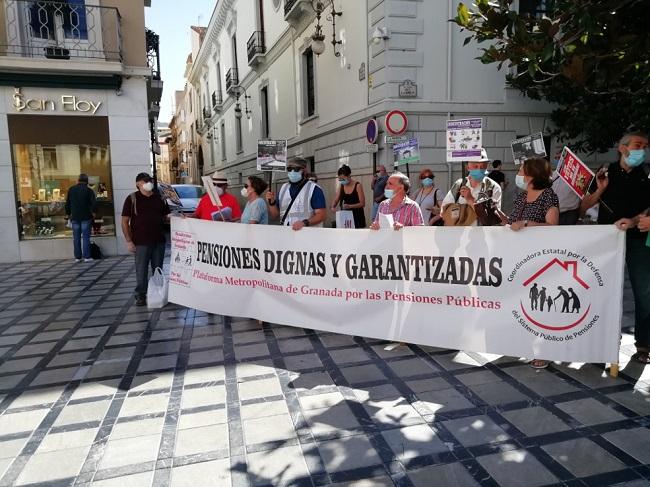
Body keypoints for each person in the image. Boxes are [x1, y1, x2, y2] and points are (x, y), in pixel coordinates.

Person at [580, 131, 650, 364]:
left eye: (645, 146)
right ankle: (607, 342)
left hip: (639, 241)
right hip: (607, 243)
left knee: (644, 293)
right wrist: (600, 189)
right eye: (638, 145)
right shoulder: (604, 172)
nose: (642, 150)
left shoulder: (647, 174)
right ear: (622, 148)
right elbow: (583, 206)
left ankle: (644, 345)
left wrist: (633, 221)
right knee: (605, 293)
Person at [508, 157, 560, 369]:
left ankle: (544, 350)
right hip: (520, 258)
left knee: (541, 306)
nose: (518, 173)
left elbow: (553, 226)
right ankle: (527, 345)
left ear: (531, 174)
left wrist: (528, 224)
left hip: (541, 260)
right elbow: (513, 223)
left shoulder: (548, 196)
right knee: (524, 305)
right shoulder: (522, 197)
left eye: (521, 169)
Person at [121, 173, 171, 306]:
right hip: (141, 242)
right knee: (141, 269)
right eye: (146, 181)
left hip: (158, 240)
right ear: (138, 184)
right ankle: (141, 295)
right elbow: (125, 221)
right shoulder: (132, 199)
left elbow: (166, 216)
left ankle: (158, 293)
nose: (149, 183)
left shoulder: (159, 198)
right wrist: (129, 241)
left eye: (150, 180)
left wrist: (175, 217)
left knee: (158, 268)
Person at [442, 149, 503, 225]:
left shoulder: (493, 187)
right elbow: (444, 209)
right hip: (459, 234)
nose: (479, 169)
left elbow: (493, 218)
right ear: (468, 167)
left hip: (482, 234)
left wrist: (470, 199)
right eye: (475, 166)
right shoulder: (459, 184)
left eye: (483, 166)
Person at [266, 156, 326, 230]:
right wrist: (271, 203)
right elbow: (274, 215)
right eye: (289, 169)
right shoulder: (283, 188)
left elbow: (322, 215)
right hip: (287, 234)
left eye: (296, 169)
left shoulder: (314, 189)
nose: (292, 172)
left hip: (307, 236)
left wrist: (304, 223)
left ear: (304, 171)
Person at [65, 173, 97, 263]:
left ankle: (78, 257)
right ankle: (87, 257)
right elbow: (94, 204)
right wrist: (94, 213)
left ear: (78, 180)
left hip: (74, 217)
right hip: (86, 217)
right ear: (87, 181)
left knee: (76, 238)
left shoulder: (71, 189)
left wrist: (67, 214)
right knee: (86, 237)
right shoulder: (89, 191)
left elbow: (67, 203)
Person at [330, 164, 366, 229]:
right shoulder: (341, 186)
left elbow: (362, 203)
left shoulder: (358, 185)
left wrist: (350, 206)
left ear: (349, 176)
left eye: (343, 179)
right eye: (340, 179)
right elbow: (336, 199)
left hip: (357, 217)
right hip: (345, 218)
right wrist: (333, 206)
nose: (341, 181)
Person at [549, 150, 581, 225]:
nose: (557, 160)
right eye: (556, 158)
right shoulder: (552, 175)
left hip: (569, 215)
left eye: (560, 158)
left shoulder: (576, 177)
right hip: (553, 213)